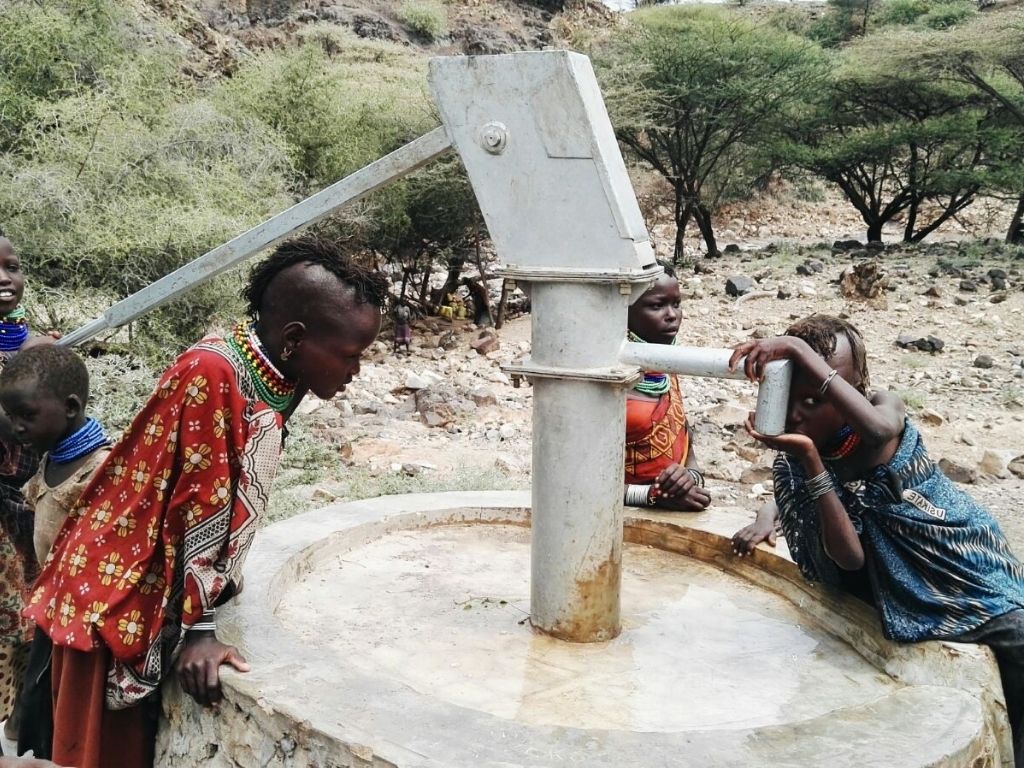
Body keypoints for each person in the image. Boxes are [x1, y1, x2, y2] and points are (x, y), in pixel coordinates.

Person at [25, 236, 387, 768]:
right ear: (293, 340)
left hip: (144, 577)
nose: (356, 370)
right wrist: (200, 629)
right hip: (113, 589)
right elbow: (202, 502)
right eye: (352, 355)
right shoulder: (213, 372)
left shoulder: (278, 372)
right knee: (99, 754)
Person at [729, 314, 1024, 767]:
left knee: (1018, 644)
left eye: (816, 396)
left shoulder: (884, 412)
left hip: (952, 569)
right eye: (787, 395)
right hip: (877, 578)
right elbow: (844, 556)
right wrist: (772, 509)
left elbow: (879, 432)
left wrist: (799, 354)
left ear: (857, 387)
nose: (797, 412)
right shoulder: (797, 452)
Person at [0, 345, 113, 760]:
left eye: (26, 416)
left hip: (83, 619)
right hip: (53, 609)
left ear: (70, 407)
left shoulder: (99, 469)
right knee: (41, 697)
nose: (16, 428)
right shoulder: (50, 461)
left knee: (70, 708)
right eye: (11, 418)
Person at [0, 236, 56, 748]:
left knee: (31, 623)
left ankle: (20, 730)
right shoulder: (24, 350)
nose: (5, 278)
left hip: (30, 505)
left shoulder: (25, 340)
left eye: (13, 267)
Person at [623, 264, 710, 511]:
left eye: (677, 304)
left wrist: (689, 480)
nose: (672, 315)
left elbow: (686, 447)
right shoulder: (609, 380)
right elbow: (580, 483)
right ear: (623, 310)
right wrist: (652, 496)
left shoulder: (665, 366)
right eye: (657, 305)